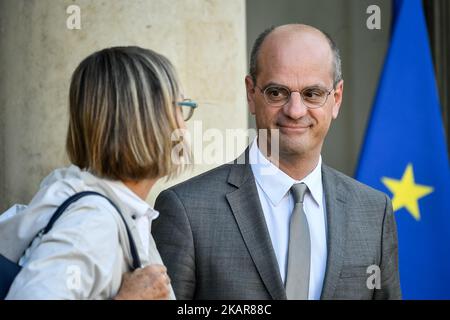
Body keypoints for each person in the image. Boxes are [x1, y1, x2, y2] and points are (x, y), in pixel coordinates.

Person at [152, 24, 402, 300]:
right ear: (251, 93)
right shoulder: (186, 210)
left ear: (337, 98)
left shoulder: (373, 212)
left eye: (312, 94)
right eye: (276, 92)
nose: (295, 111)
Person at [0, 46, 196, 299]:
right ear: (145, 122)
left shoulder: (122, 212)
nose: (185, 125)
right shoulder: (92, 222)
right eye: (180, 107)